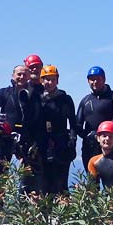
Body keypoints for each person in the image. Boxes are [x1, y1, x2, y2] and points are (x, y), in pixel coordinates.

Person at [0, 64, 45, 197]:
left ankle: (22, 213)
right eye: (19, 74)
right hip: (4, 140)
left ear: (29, 76)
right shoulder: (3, 93)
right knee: (1, 181)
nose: (21, 77)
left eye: (24, 74)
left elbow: (38, 120)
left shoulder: (35, 95)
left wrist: (36, 141)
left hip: (25, 142)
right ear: (12, 76)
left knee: (27, 181)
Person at [75, 66, 113, 173]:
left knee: (112, 181)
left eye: (98, 78)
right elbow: (77, 124)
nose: (95, 82)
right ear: (88, 81)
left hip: (110, 146)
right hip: (90, 146)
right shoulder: (85, 100)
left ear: (104, 79)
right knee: (92, 183)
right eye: (92, 79)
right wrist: (87, 136)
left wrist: (104, 134)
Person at [39, 65, 78, 195]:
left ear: (57, 80)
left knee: (61, 184)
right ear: (41, 80)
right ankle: (46, 214)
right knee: (44, 185)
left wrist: (72, 142)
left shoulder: (65, 99)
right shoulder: (37, 99)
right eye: (46, 79)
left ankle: (63, 213)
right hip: (42, 145)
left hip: (62, 144)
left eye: (52, 79)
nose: (49, 82)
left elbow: (73, 123)